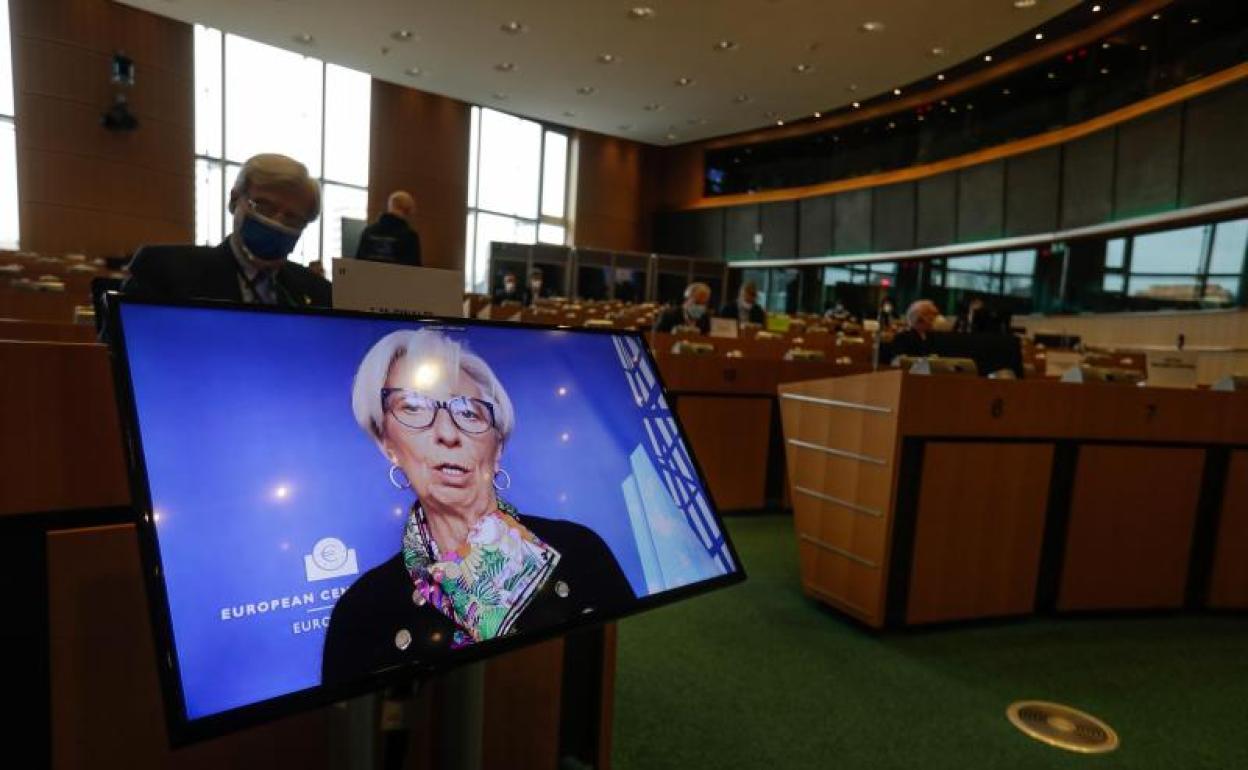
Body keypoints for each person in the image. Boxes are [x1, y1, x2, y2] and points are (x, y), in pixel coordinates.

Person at [322, 329, 634, 684]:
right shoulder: (362, 610)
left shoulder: (580, 551)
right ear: (387, 444)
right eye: (414, 408)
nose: (448, 433)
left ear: (497, 447)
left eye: (468, 413)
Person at [122, 153, 330, 307]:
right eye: (264, 206)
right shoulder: (165, 272)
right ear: (234, 200)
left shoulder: (319, 292)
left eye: (292, 217)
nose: (276, 222)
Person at [355, 190, 422, 266]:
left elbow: (357, 264)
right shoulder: (410, 236)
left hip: (367, 277)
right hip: (397, 278)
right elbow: (414, 271)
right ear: (409, 210)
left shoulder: (368, 232)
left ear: (390, 206)